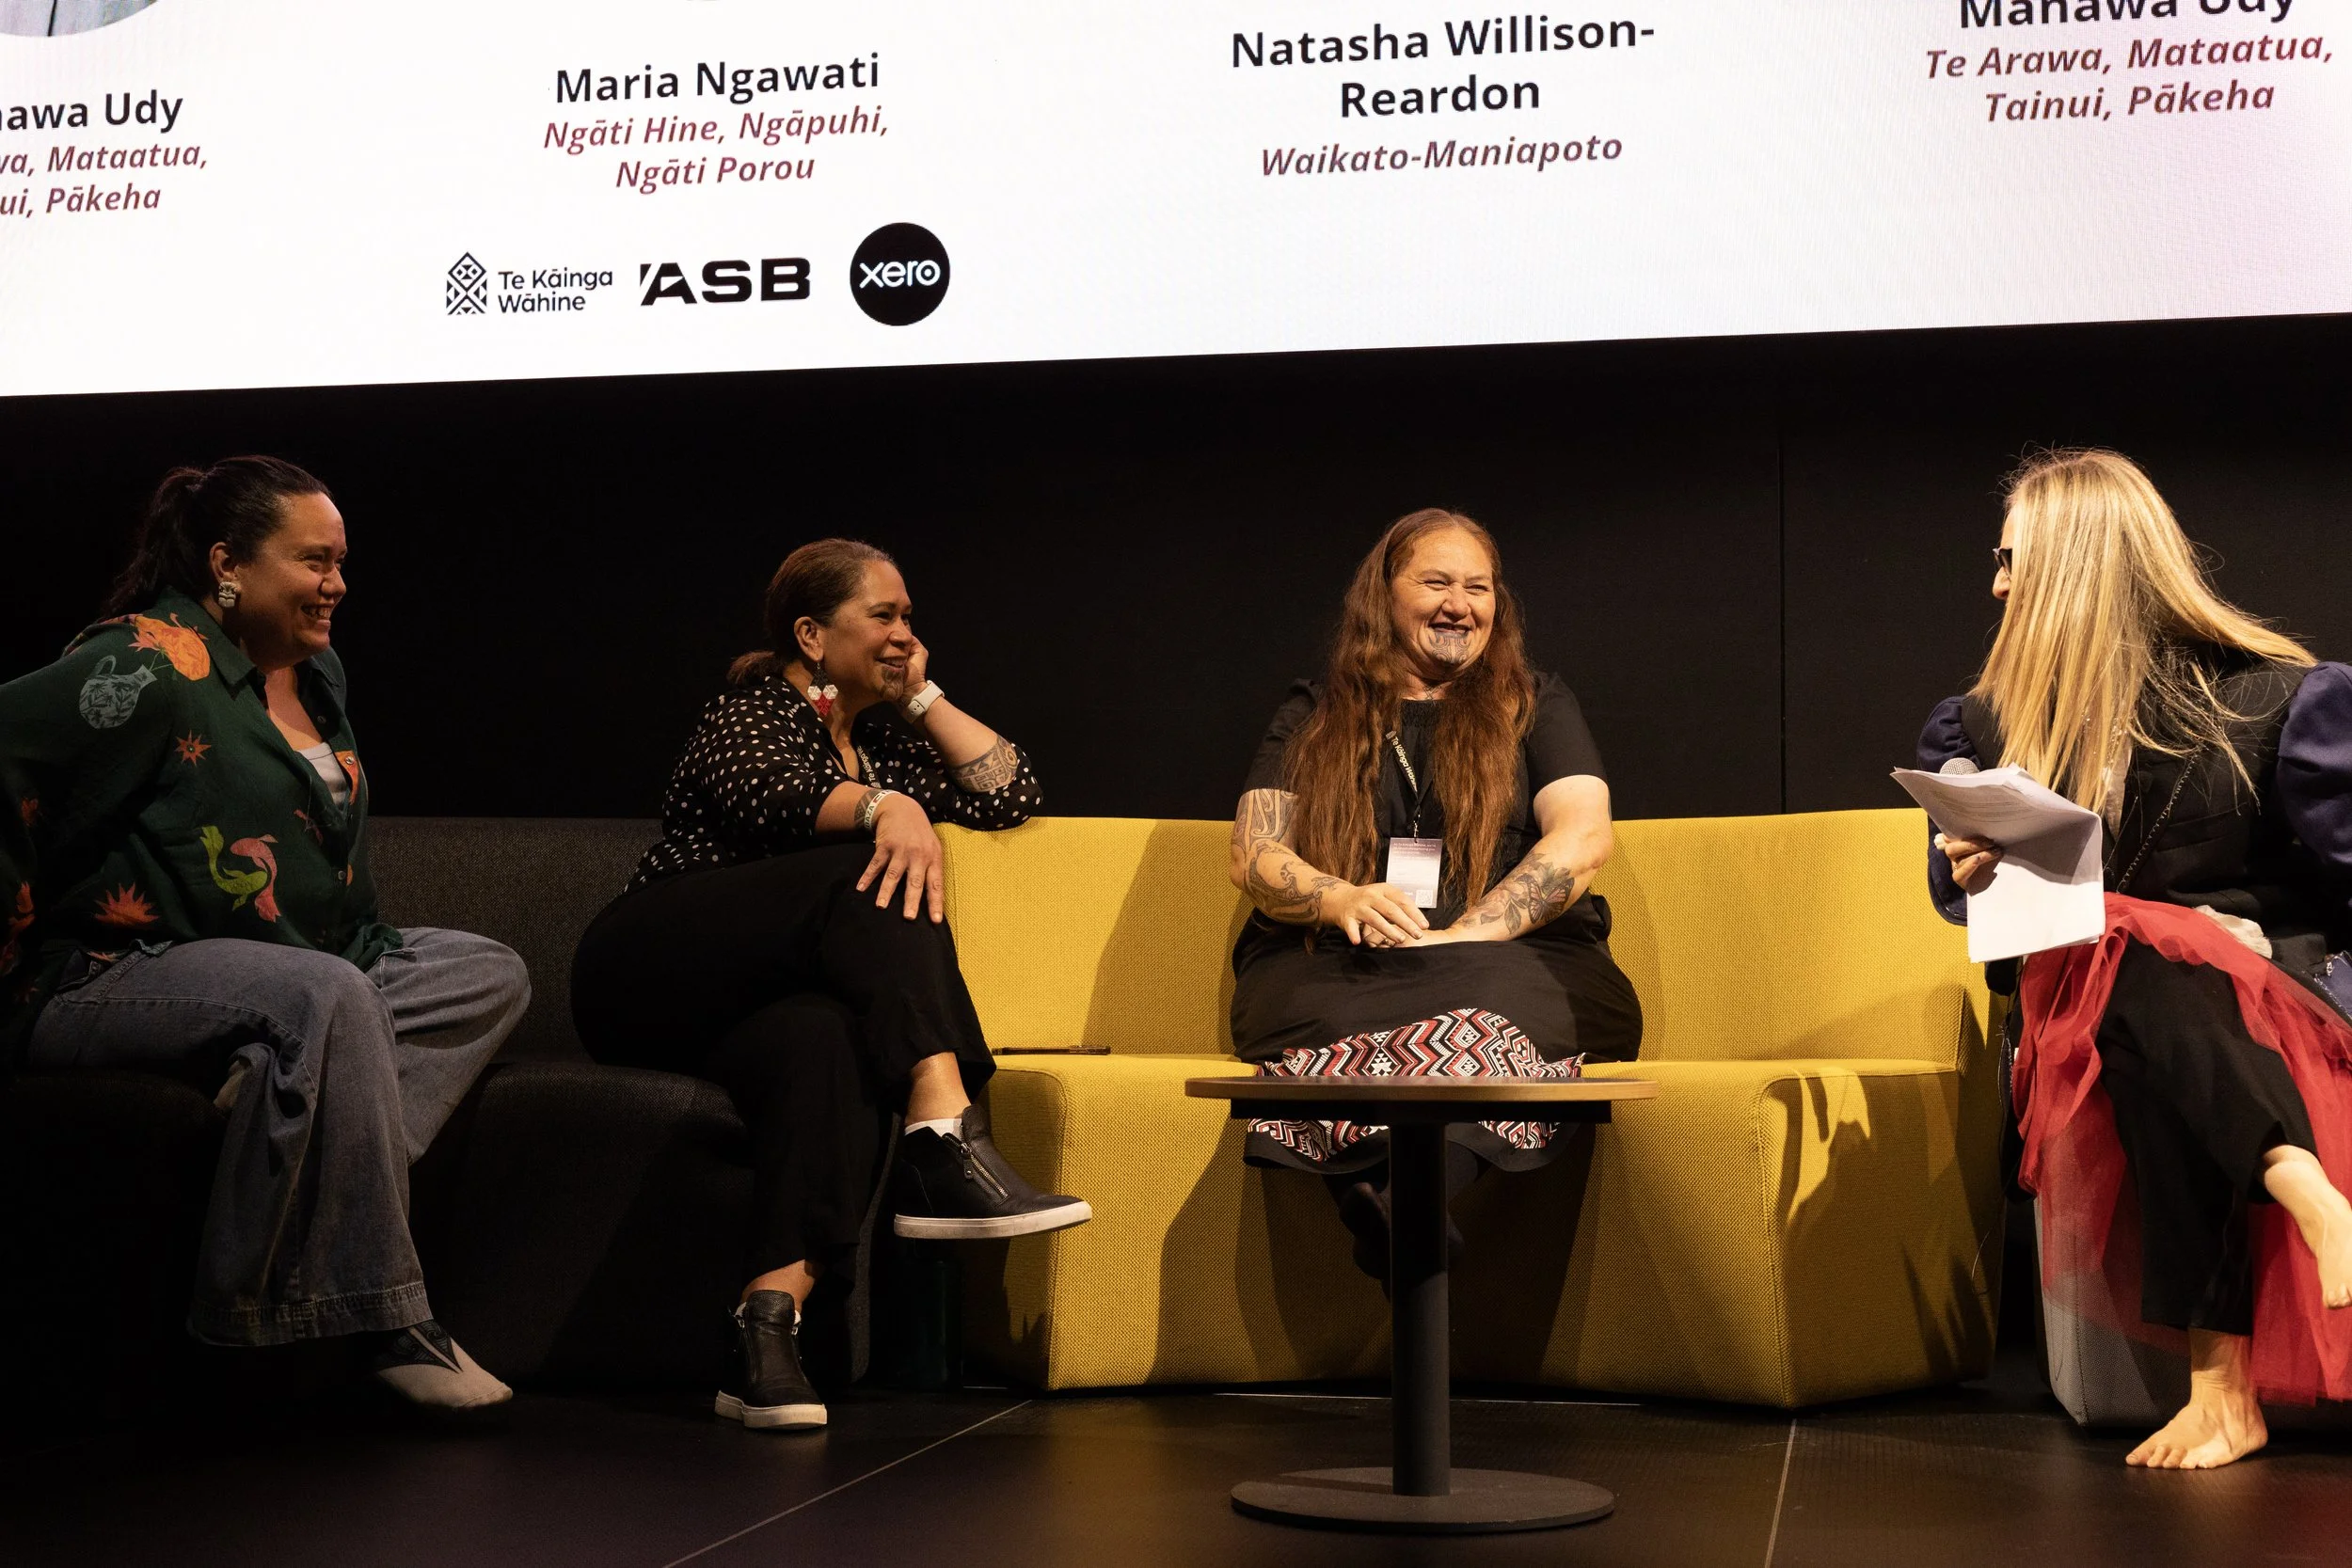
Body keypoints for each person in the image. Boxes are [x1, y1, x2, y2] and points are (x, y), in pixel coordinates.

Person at [0, 457, 529, 1409]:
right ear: (227, 562)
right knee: (325, 996)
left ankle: (296, 1098)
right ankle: (377, 1314)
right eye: (313, 559)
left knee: (486, 969)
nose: (337, 583)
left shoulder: (315, 671)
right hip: (111, 973)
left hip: (294, 965)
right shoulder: (147, 662)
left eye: (342, 560)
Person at [573, 537, 1089, 1434]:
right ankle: (943, 1128)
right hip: (650, 971)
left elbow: (1010, 790)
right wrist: (891, 810)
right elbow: (770, 798)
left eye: (910, 618)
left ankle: (765, 1326)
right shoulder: (753, 710)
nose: (904, 633)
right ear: (812, 633)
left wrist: (919, 699)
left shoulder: (883, 745)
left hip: (751, 1014)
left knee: (831, 1043)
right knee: (872, 869)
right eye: (883, 616)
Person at [1921, 449, 2352, 1469]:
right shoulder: (1982, 729)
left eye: (2011, 558)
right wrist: (1970, 867)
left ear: (2077, 564)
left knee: (2149, 962)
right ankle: (2302, 1185)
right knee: (2125, 948)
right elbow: (1955, 901)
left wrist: (2245, 949)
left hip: (2274, 1000)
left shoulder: (2273, 700)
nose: (1994, 583)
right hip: (2084, 1007)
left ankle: (2222, 1393)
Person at [1227, 507, 1643, 1283]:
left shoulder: (1536, 703)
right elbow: (1254, 855)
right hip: (1344, 957)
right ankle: (1407, 1204)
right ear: (1383, 597)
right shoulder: (1313, 711)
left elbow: (1583, 837)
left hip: (1507, 956)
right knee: (1305, 1003)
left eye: (1479, 587)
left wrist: (1470, 934)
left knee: (1501, 998)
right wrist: (1337, 900)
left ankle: (1387, 1197)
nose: (1461, 604)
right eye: (1437, 581)